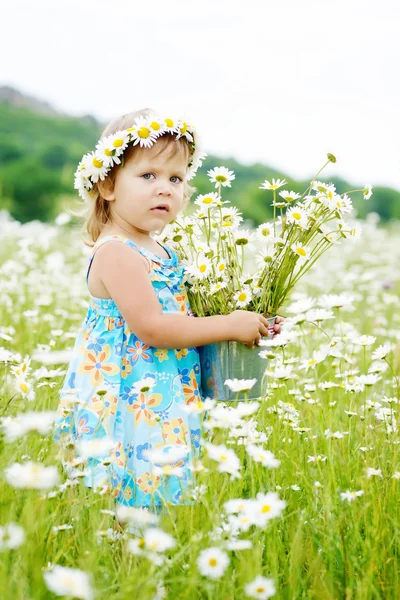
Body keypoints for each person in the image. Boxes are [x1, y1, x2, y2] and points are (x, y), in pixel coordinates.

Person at [53, 108, 282, 509]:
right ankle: (121, 559)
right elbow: (154, 328)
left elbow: (187, 317)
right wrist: (228, 325)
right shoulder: (116, 253)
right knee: (130, 485)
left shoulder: (161, 250)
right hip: (130, 390)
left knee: (161, 486)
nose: (166, 189)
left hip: (165, 387)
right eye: (148, 176)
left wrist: (252, 321)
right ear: (108, 185)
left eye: (176, 179)